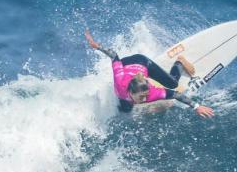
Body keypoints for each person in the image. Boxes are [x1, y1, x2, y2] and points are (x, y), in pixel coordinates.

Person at [85, 30, 215, 118]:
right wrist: (97, 46)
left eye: (145, 96)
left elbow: (175, 94)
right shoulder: (120, 82)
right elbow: (114, 56)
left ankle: (179, 63)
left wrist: (197, 107)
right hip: (125, 64)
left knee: (173, 83)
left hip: (143, 62)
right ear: (130, 92)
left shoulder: (151, 93)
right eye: (142, 97)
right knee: (125, 110)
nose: (145, 99)